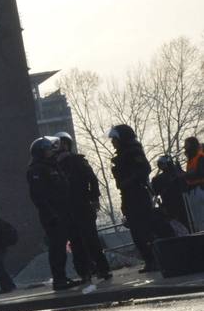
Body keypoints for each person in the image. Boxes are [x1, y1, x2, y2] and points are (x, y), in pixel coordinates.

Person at [108, 124, 174, 272]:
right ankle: (150, 260)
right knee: (137, 231)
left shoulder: (133, 151)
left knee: (143, 230)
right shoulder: (122, 154)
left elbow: (144, 169)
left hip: (138, 194)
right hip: (128, 195)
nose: (112, 142)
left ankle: (154, 259)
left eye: (114, 138)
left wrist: (129, 181)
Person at [55, 131, 112, 283]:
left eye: (60, 143)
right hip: (67, 209)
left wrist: (94, 198)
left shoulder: (77, 161)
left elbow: (92, 179)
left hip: (82, 205)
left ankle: (103, 269)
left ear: (66, 144)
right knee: (75, 242)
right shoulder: (55, 165)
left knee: (91, 239)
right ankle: (84, 272)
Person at [27, 136, 78, 290]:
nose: (51, 151)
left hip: (63, 211)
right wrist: (50, 214)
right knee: (56, 247)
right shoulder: (36, 170)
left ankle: (62, 277)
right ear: (41, 152)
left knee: (62, 247)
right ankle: (59, 279)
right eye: (48, 149)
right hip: (52, 215)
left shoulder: (52, 165)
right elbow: (38, 196)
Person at [151, 155, 191, 233]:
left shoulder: (177, 173)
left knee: (184, 224)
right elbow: (156, 191)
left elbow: (186, 184)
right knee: (177, 226)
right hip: (170, 205)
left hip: (182, 203)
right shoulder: (158, 179)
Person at [185, 136, 204, 230]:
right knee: (198, 220)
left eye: (187, 145)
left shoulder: (200, 157)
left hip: (200, 189)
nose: (185, 147)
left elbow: (201, 173)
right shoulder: (191, 159)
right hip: (193, 190)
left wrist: (186, 175)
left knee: (201, 218)